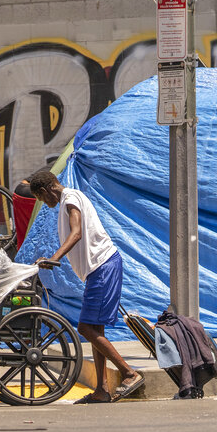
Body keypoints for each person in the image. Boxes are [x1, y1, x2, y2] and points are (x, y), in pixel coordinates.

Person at [29, 169, 145, 403]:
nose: (44, 203)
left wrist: (55, 257)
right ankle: (102, 391)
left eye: (41, 198)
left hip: (103, 266)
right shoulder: (68, 200)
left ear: (45, 190)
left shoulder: (70, 198)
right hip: (99, 270)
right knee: (95, 330)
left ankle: (129, 373)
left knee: (85, 329)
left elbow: (77, 233)